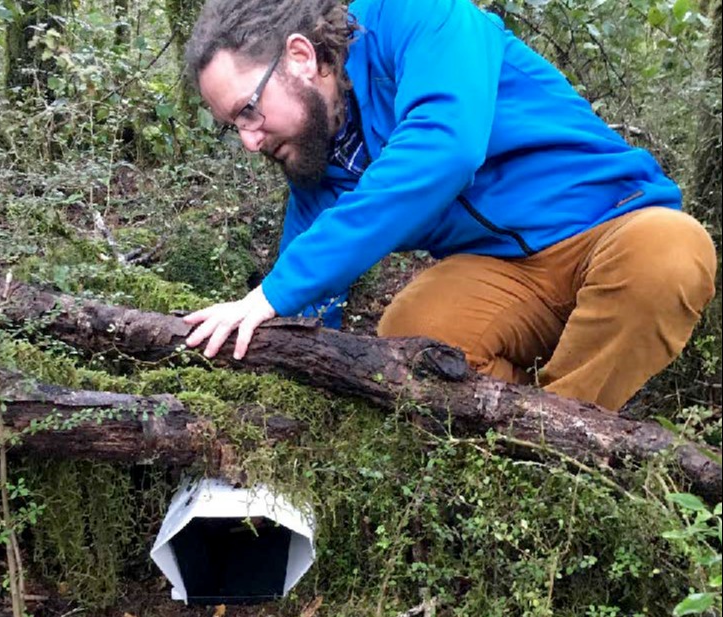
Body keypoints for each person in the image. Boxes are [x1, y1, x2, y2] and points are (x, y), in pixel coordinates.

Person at [181, 0, 717, 411]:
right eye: (235, 128)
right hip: (500, 271)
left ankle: (557, 445)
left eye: (248, 111)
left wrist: (276, 290)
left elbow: (446, 146)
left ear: (300, 56)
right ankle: (525, 425)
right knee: (413, 336)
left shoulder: (414, 15)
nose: (249, 140)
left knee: (669, 255)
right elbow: (309, 299)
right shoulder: (317, 149)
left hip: (610, 224)